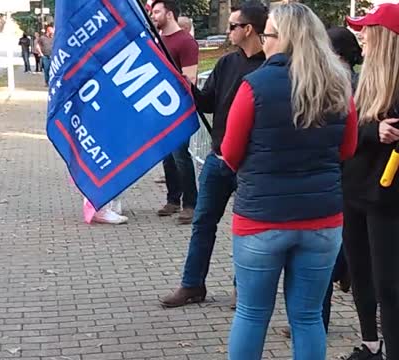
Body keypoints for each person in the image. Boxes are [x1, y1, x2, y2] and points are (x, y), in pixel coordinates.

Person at [221, 3, 358, 359]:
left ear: (282, 38)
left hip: (261, 218)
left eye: (267, 35)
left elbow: (231, 153)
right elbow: (348, 148)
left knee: (252, 314)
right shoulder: (340, 86)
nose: (264, 42)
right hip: (323, 219)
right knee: (308, 316)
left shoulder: (255, 86)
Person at [160, 1, 267, 308]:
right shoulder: (226, 64)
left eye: (233, 26)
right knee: (203, 222)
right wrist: (188, 88)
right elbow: (208, 102)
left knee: (246, 230)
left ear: (248, 29)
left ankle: (242, 289)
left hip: (250, 163)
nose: (228, 31)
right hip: (218, 159)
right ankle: (192, 285)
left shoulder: (271, 66)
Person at [281, 26, 362, 340]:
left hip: (341, 179)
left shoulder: (342, 86)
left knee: (325, 260)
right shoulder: (345, 83)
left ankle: (320, 316)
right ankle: (344, 271)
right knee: (331, 255)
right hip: (344, 177)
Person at [341, 3, 399, 359]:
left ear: (386, 38)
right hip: (354, 193)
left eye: (367, 30)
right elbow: (344, 135)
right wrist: (370, 132)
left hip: (387, 201)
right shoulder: (361, 83)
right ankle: (370, 345)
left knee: (388, 286)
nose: (360, 36)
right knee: (360, 276)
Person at [151, 0, 199, 225]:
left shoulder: (186, 42)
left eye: (157, 11)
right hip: (160, 109)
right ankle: (173, 199)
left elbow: (190, 79)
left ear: (169, 14)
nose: (153, 15)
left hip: (179, 109)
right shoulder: (157, 40)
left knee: (181, 156)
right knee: (167, 156)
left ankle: (191, 203)